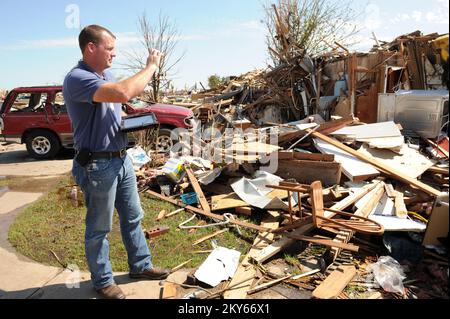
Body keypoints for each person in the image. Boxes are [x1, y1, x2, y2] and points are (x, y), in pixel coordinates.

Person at [63, 25, 169, 299]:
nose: (114, 54)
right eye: (109, 48)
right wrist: (151, 67)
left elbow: (115, 109)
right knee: (99, 228)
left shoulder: (104, 75)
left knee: (133, 217)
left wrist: (129, 122)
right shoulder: (78, 78)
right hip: (98, 165)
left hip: (121, 160)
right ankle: (103, 281)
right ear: (91, 48)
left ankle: (140, 265)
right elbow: (123, 92)